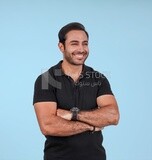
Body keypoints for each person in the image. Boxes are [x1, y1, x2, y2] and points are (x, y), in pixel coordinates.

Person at [33, 22, 120, 160]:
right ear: (61, 47)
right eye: (74, 43)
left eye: (85, 43)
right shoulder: (46, 80)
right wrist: (91, 127)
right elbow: (48, 126)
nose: (81, 49)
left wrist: (73, 114)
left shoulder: (99, 78)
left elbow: (113, 116)